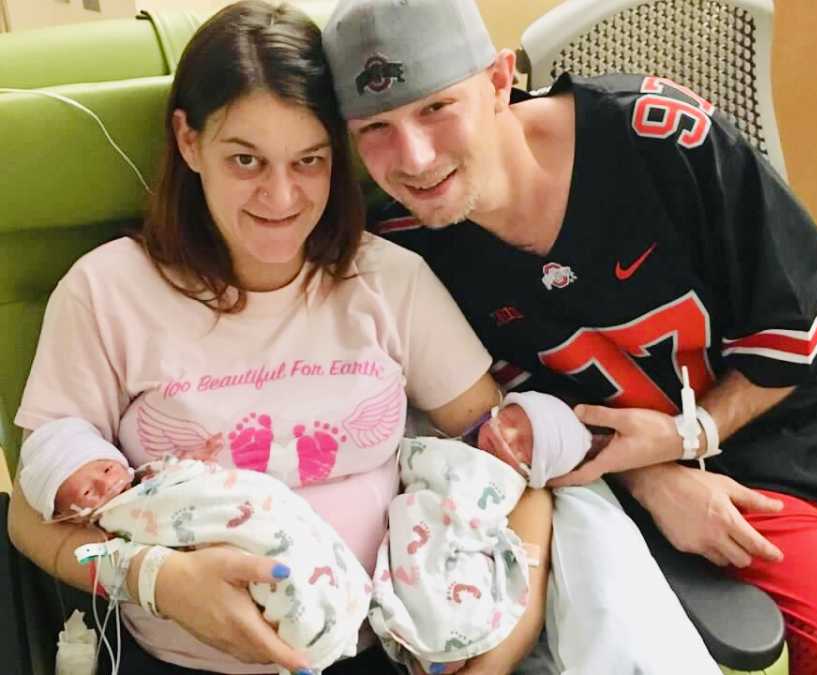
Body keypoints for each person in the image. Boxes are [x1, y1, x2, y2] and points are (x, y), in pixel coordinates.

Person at [322, 1, 817, 674]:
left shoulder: (658, 135)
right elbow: (513, 417)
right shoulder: (404, 252)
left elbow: (800, 316)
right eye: (376, 129)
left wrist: (693, 434)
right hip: (735, 484)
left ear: (499, 80)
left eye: (437, 109)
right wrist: (654, 478)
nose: (414, 158)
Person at [8, 2, 552, 675]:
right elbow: (31, 523)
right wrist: (154, 580)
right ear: (187, 140)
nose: (281, 195)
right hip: (183, 658)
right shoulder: (108, 292)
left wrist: (506, 637)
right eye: (246, 159)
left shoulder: (387, 281)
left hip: (387, 648)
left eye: (309, 160)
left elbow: (510, 461)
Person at [375, 391, 720, 675]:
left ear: (533, 473)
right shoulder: (448, 437)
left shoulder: (509, 489)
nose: (505, 436)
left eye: (523, 445)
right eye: (508, 420)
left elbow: (510, 549)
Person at [19, 417, 374, 674]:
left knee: (286, 526)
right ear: (74, 517)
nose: (105, 486)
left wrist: (191, 462)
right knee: (280, 570)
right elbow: (83, 553)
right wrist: (152, 574)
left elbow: (180, 476)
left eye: (108, 470)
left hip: (250, 503)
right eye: (86, 492)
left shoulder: (150, 475)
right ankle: (311, 628)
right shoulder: (111, 524)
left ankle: (339, 605)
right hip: (181, 642)